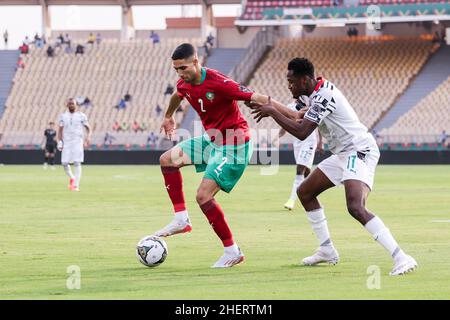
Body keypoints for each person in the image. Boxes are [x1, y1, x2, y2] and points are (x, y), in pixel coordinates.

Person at [249, 57, 417, 276]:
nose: (288, 85)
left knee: (355, 207)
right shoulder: (312, 94)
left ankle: (401, 257)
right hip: (342, 154)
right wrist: (263, 103)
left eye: (292, 81)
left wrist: (272, 111)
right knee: (305, 192)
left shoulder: (323, 96)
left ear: (306, 79)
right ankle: (327, 249)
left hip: (359, 151)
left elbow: (302, 131)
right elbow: (299, 117)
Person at [154, 43, 269, 268]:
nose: (180, 73)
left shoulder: (219, 82)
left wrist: (295, 116)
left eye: (183, 68)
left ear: (197, 62)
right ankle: (181, 220)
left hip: (235, 143)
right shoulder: (184, 82)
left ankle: (232, 251)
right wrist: (169, 116)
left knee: (203, 196)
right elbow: (178, 94)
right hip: (212, 140)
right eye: (176, 69)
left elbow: (258, 97)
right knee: (167, 160)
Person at [276, 98, 322, 210]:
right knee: (306, 173)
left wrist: (320, 142)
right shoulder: (290, 107)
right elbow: (285, 124)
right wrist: (276, 138)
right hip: (297, 143)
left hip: (309, 142)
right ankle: (315, 198)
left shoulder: (310, 106)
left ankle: (291, 200)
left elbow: (319, 124)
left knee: (299, 171)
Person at [57, 98, 91, 192]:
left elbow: (88, 127)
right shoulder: (63, 116)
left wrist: (88, 137)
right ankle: (72, 178)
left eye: (73, 103)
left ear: (76, 105)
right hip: (66, 142)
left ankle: (76, 186)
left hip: (77, 142)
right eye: (70, 103)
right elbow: (60, 130)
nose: (71, 105)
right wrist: (59, 141)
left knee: (77, 162)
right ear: (67, 105)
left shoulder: (81, 116)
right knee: (64, 163)